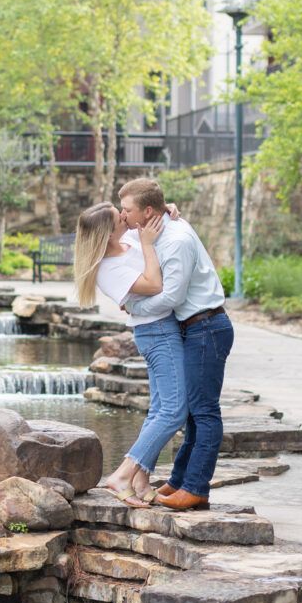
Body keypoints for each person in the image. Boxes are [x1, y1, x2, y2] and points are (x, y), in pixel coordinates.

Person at [120, 177, 233, 511]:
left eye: (127, 210)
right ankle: (181, 480)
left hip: (207, 327)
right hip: (195, 328)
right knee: (193, 412)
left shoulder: (177, 240)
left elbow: (171, 297)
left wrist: (133, 307)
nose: (123, 216)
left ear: (148, 211)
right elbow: (113, 232)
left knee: (204, 411)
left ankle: (196, 487)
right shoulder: (156, 231)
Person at [74, 201, 186, 508]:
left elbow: (158, 229)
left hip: (165, 327)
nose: (125, 217)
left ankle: (141, 477)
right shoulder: (107, 270)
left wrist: (168, 212)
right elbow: (153, 283)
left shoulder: (128, 239)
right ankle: (122, 474)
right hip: (156, 333)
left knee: (161, 408)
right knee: (175, 410)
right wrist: (148, 245)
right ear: (107, 234)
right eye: (118, 217)